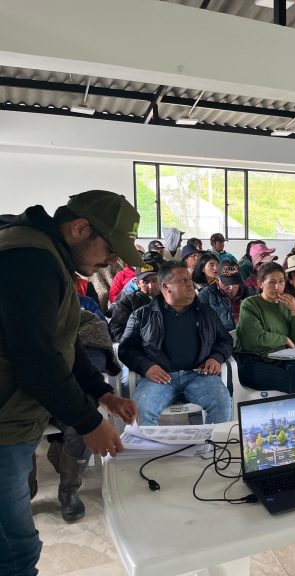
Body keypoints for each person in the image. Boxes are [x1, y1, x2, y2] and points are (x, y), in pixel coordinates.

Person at [0, 190, 139, 575]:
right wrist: (88, 422)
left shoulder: (48, 256)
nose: (109, 262)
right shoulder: (30, 259)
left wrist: (103, 394)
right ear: (80, 228)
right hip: (3, 426)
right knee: (14, 550)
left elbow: (65, 340)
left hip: (13, 419)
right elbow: (37, 357)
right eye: (109, 250)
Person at [118, 262, 233, 426]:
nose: (190, 284)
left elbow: (225, 340)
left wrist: (216, 357)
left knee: (222, 403)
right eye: (183, 281)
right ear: (166, 287)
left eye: (189, 280)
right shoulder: (142, 315)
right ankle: (152, 444)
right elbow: (125, 349)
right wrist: (146, 366)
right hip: (160, 377)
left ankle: (212, 442)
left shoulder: (206, 312)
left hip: (199, 375)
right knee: (141, 410)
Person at [235, 263, 295, 394]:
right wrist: (285, 339)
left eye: (281, 281)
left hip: (281, 358)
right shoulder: (249, 304)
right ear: (260, 284)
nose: (277, 287)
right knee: (292, 381)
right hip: (253, 360)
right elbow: (254, 339)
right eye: (272, 282)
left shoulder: (287, 304)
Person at [109, 260, 161, 342]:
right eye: (145, 282)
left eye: (154, 281)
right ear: (138, 283)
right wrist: (132, 345)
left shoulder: (169, 298)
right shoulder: (128, 301)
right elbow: (117, 330)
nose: (151, 286)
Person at [199, 261, 250, 331]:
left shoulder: (248, 293)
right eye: (226, 283)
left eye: (235, 282)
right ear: (217, 279)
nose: (231, 288)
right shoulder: (206, 296)